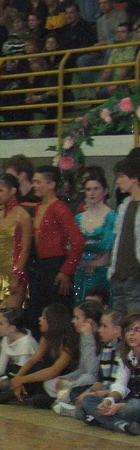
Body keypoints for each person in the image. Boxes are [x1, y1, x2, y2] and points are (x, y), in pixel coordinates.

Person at [28, 166, 85, 339]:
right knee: (37, 311)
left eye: (38, 182)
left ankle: (60, 350)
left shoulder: (59, 208)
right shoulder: (39, 207)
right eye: (34, 182)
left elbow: (77, 241)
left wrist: (66, 270)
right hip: (42, 266)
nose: (34, 185)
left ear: (51, 184)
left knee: (56, 314)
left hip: (56, 265)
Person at [80, 311, 140, 434]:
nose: (131, 334)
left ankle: (104, 419)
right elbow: (120, 385)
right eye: (128, 330)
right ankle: (121, 425)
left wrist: (120, 407)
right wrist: (109, 400)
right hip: (128, 401)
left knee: (133, 407)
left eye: (137, 330)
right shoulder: (126, 356)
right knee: (88, 400)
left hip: (135, 405)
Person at [9, 303, 79, 407]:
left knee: (41, 375)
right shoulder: (46, 338)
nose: (40, 319)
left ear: (53, 321)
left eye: (44, 317)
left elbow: (53, 371)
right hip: (46, 376)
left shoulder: (68, 344)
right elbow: (32, 361)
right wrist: (18, 377)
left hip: (61, 379)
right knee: (15, 369)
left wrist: (21, 380)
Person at [0, 173, 32, 309]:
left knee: (10, 314)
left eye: (0, 190)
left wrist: (17, 275)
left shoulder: (23, 216)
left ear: (12, 191)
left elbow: (25, 249)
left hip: (14, 272)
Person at [73, 173, 115, 304]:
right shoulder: (79, 218)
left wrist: (82, 247)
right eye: (88, 189)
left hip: (100, 272)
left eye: (96, 189)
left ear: (105, 191)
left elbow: (105, 245)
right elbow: (71, 245)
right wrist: (90, 253)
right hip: (80, 271)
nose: (92, 193)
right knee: (79, 307)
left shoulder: (111, 216)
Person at [108, 157, 140, 313]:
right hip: (119, 274)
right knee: (117, 321)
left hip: (135, 276)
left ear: (134, 178)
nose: (118, 181)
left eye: (122, 176)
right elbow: (118, 240)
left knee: (134, 321)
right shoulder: (125, 205)